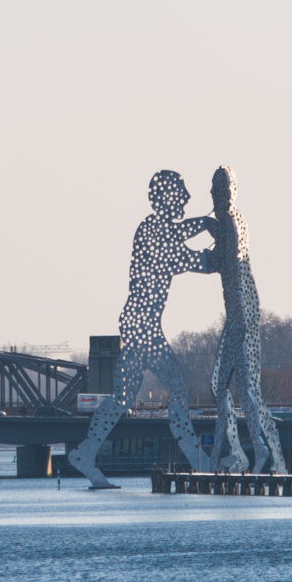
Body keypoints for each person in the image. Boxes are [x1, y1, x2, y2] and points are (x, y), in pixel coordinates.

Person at [68, 170, 215, 489]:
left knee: (122, 398)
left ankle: (85, 452)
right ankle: (199, 462)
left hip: (139, 323)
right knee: (178, 388)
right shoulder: (151, 230)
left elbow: (179, 235)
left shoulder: (159, 228)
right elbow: (179, 257)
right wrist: (212, 255)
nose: (187, 198)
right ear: (165, 198)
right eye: (181, 193)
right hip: (141, 325)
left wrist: (205, 223)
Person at [208, 164, 286, 476]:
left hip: (240, 311)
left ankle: (251, 451)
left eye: (222, 188)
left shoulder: (228, 219)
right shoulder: (233, 218)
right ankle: (259, 453)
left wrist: (197, 257)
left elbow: (227, 261)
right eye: (215, 189)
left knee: (225, 385)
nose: (217, 194)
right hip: (243, 308)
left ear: (231, 191)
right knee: (243, 386)